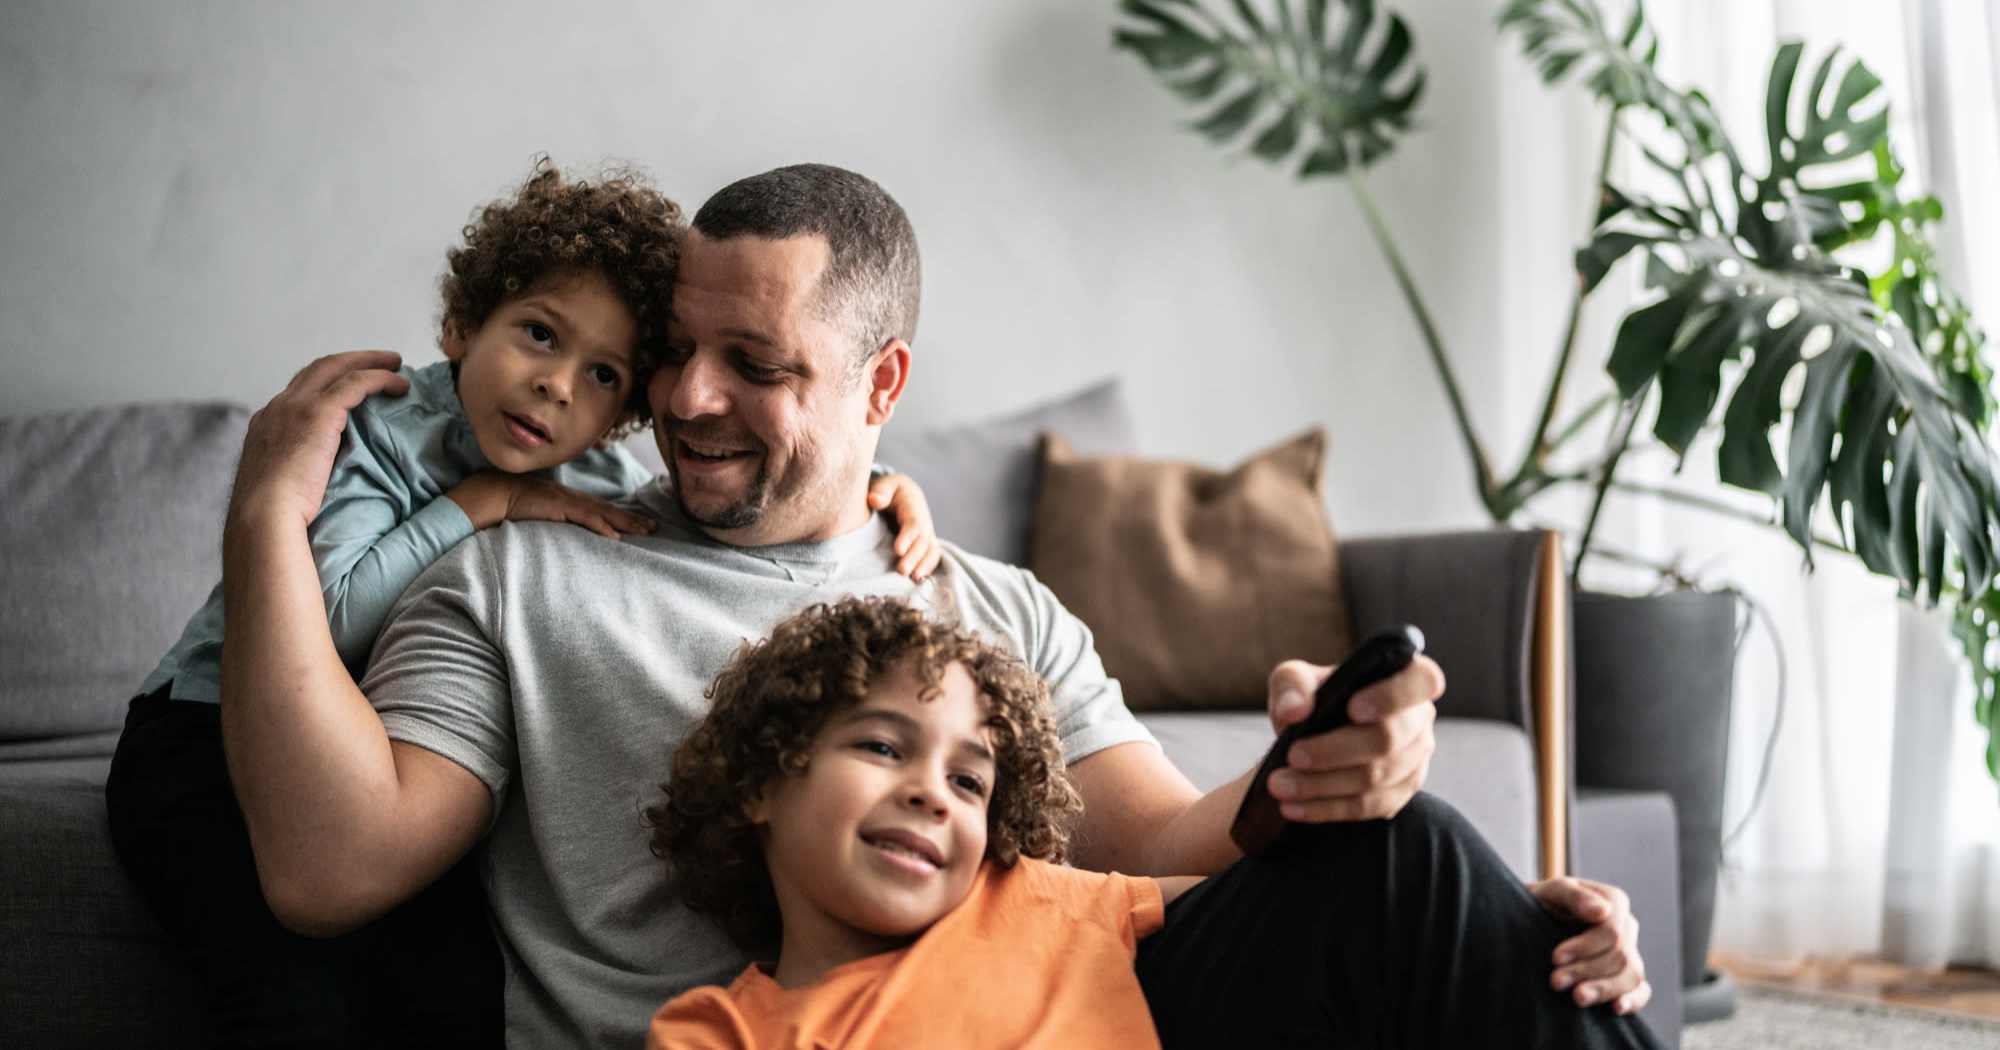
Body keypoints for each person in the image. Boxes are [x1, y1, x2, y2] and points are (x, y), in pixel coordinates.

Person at [217, 162, 1660, 1049]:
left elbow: (1159, 842)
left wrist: (1331, 786)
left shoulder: (985, 600)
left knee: (1423, 867)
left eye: (755, 364)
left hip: (1059, 1024)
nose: (685, 399)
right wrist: (263, 515)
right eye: (679, 352)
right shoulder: (523, 572)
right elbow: (326, 869)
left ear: (880, 387)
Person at [103, 160, 940, 1049]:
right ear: (465, 323)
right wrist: (474, 507)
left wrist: (880, 486)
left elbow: (741, 486)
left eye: (607, 375)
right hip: (201, 736)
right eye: (539, 335)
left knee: (459, 980)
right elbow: (328, 615)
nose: (558, 386)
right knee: (283, 998)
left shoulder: (581, 465)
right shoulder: (382, 437)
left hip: (355, 741)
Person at [644, 595, 1195, 1047]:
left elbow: (1260, 890)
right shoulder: (719, 1035)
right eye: (883, 748)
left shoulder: (1036, 897)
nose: (933, 794)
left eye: (968, 783)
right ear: (760, 782)